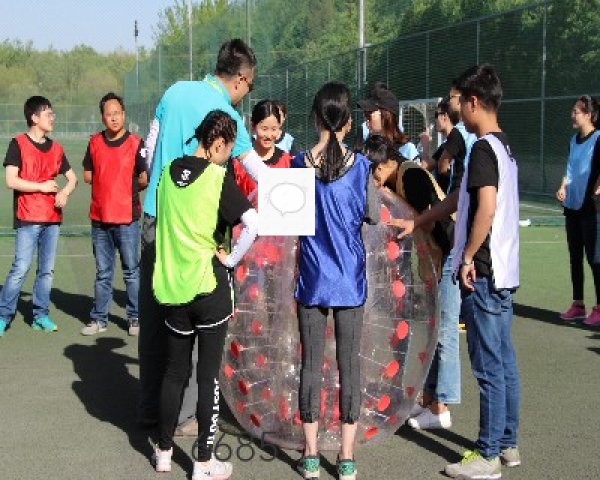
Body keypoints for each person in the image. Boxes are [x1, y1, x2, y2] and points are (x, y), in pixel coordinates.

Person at [137, 38, 267, 430]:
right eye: (250, 86)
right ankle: (186, 415)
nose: (246, 93)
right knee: (199, 319)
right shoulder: (226, 115)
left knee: (156, 315)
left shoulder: (174, 91)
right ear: (241, 79)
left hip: (157, 217)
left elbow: (149, 149)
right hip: (200, 230)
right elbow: (256, 168)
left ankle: (150, 409)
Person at [151, 110, 258, 480]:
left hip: (172, 287)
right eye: (228, 150)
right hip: (209, 287)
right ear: (217, 144)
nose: (228, 158)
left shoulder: (167, 172)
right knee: (208, 377)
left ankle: (164, 452)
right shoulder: (216, 176)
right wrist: (232, 259)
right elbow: (253, 223)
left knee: (173, 372)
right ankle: (204, 461)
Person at [293, 82, 379, 480]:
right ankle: (346, 458)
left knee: (310, 364)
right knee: (350, 366)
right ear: (347, 122)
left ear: (315, 118)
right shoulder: (361, 167)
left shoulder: (298, 164)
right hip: (349, 280)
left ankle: (311, 455)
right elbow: (373, 215)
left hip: (312, 279)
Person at [444, 65, 521, 480]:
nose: (456, 110)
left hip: (485, 272)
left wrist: (468, 257)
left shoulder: (482, 149)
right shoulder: (505, 147)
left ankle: (488, 454)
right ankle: (507, 443)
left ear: (474, 102)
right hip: (504, 271)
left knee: (488, 366)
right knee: (504, 362)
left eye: (458, 102)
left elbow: (485, 208)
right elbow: (470, 200)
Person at [364, 133, 461, 431]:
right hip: (439, 255)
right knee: (434, 329)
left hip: (449, 251)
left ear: (383, 165)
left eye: (373, 174)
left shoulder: (411, 176)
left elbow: (430, 221)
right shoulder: (399, 179)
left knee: (445, 331)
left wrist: (404, 221)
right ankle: (429, 398)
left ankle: (442, 407)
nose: (374, 183)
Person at [0, 96, 77, 337]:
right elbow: (11, 180)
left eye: (52, 114)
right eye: (48, 114)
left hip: (52, 220)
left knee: (46, 271)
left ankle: (40, 315)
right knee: (20, 268)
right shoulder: (18, 144)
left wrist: (64, 192)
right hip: (28, 217)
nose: (52, 118)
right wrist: (41, 187)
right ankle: (3, 316)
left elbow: (72, 178)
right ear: (34, 117)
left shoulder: (57, 148)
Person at [80, 92, 147, 337]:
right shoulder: (94, 143)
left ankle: (135, 318)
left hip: (127, 220)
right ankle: (99, 319)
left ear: (124, 114)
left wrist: (124, 188)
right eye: (109, 114)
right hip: (100, 220)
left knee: (131, 271)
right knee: (103, 273)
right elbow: (87, 174)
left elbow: (144, 178)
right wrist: (106, 183)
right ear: (103, 117)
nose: (114, 118)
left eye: (117, 113)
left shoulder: (136, 143)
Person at [555, 95, 600, 326]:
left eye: (576, 111)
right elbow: (570, 169)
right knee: (575, 257)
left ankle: (599, 308)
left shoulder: (599, 138)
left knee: (595, 259)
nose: (572, 115)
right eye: (572, 111)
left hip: (591, 207)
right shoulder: (573, 140)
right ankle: (578, 304)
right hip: (572, 206)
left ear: (589, 115)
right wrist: (563, 187)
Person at [233, 99, 292, 201]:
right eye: (264, 129)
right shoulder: (238, 162)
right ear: (253, 126)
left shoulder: (287, 162)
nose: (269, 135)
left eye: (274, 129)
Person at [358, 82, 419, 162]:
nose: (366, 120)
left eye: (368, 115)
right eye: (365, 115)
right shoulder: (365, 148)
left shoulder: (407, 149)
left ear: (385, 116)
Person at [420, 97, 466, 194]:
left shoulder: (453, 142)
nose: (435, 120)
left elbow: (424, 168)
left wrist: (425, 145)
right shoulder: (445, 146)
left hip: (451, 197)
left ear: (444, 116)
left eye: (436, 115)